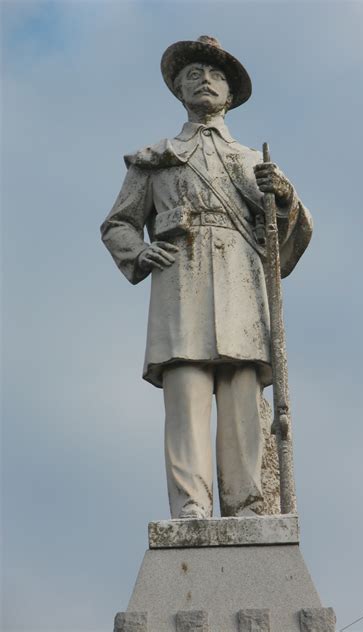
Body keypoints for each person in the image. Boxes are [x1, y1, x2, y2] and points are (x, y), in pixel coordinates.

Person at [100, 36, 312, 519]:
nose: (205, 81)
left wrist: (283, 197)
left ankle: (246, 503)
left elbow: (288, 232)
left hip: (239, 281)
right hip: (181, 279)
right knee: (187, 392)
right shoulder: (156, 156)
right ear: (178, 87)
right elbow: (119, 223)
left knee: (240, 394)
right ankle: (191, 505)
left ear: (230, 94)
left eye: (215, 76)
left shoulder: (251, 160)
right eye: (194, 74)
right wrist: (138, 250)